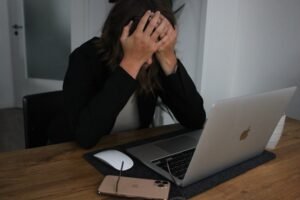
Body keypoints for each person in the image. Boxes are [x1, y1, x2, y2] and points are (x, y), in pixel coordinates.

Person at [61, 0, 206, 148]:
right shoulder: (84, 57)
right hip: (71, 155)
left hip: (130, 150)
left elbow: (195, 120)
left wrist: (169, 58)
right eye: (141, 45)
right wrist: (131, 64)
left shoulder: (156, 58)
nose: (149, 59)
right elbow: (85, 136)